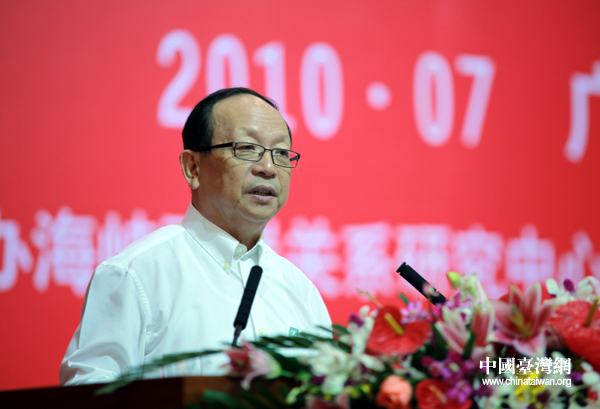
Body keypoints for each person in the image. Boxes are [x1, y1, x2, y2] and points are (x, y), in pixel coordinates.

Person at [60, 87, 332, 385]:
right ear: (193, 167)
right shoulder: (137, 274)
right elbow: (87, 391)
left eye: (280, 153)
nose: (268, 168)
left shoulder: (302, 292)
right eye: (246, 148)